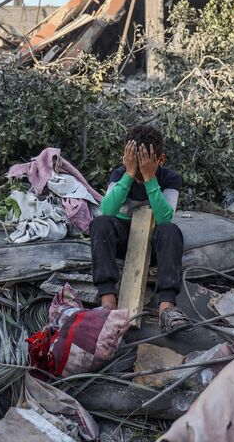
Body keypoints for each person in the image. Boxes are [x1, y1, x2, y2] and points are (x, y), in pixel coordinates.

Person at [90, 125, 191, 334]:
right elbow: (107, 209)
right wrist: (129, 174)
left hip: (154, 240)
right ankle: (107, 300)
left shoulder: (170, 179)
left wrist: (149, 178)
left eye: (142, 163)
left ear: (160, 160)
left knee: (171, 231)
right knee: (99, 224)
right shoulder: (120, 174)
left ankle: (167, 308)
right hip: (123, 238)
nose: (137, 169)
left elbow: (164, 218)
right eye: (133, 162)